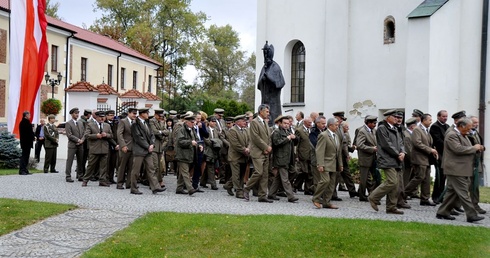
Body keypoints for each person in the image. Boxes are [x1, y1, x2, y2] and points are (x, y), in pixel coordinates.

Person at [436, 118, 485, 223]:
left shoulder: (463, 135)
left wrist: (478, 148)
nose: (469, 131)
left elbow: (467, 148)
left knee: (452, 192)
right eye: (468, 128)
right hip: (455, 169)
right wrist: (474, 148)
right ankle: (472, 215)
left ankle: (443, 212)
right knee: (463, 192)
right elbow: (458, 149)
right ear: (461, 126)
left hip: (462, 168)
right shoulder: (451, 135)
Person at [368, 110, 405, 215]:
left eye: (398, 117)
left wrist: (403, 152)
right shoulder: (382, 128)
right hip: (387, 158)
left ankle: (391, 207)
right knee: (392, 181)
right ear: (388, 117)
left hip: (396, 159)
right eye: (394, 117)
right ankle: (373, 197)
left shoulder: (396, 128)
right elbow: (386, 144)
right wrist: (398, 154)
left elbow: (401, 142)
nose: (397, 119)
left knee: (396, 185)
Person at [129, 108, 166, 195]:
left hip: (148, 150)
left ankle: (155, 187)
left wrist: (152, 144)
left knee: (151, 169)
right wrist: (147, 146)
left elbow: (152, 134)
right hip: (139, 150)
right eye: (147, 113)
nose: (148, 114)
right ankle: (133, 188)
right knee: (136, 170)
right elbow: (138, 138)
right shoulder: (135, 124)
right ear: (142, 114)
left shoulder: (147, 122)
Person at [404, 113, 438, 206]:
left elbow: (428, 142)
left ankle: (425, 198)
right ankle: (403, 194)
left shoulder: (426, 130)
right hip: (419, 158)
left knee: (426, 179)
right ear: (424, 120)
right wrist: (430, 150)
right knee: (419, 177)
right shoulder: (417, 129)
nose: (431, 121)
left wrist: (433, 150)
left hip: (426, 159)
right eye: (429, 120)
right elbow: (417, 143)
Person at [243, 104, 272, 202]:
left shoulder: (265, 122)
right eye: (266, 111)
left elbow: (268, 136)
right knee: (258, 172)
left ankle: (262, 195)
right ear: (261, 111)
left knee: (265, 174)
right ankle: (246, 188)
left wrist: (269, 147)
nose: (268, 113)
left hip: (265, 152)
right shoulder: (255, 122)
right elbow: (255, 137)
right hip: (257, 152)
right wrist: (265, 147)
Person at [312, 117, 343, 209]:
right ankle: (316, 198)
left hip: (334, 164)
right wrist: (320, 164)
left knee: (331, 184)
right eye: (336, 125)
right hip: (325, 163)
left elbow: (338, 152)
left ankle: (327, 202)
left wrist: (340, 164)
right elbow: (319, 151)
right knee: (325, 181)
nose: (337, 127)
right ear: (330, 125)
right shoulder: (324, 135)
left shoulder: (336, 136)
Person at [269, 116, 299, 203]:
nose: (287, 125)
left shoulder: (288, 131)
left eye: (288, 123)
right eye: (285, 123)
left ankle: (271, 193)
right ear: (280, 123)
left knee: (279, 178)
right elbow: (276, 143)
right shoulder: (277, 132)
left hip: (288, 158)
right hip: (280, 159)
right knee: (285, 179)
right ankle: (290, 196)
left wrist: (295, 138)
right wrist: (287, 138)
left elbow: (295, 143)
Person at [82, 111, 114, 187]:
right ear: (96, 117)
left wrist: (106, 135)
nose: (102, 118)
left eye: (103, 117)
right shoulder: (90, 125)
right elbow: (87, 135)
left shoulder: (107, 125)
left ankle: (102, 180)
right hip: (94, 148)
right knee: (91, 165)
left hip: (104, 149)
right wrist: (96, 136)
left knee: (103, 166)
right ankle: (85, 180)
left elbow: (111, 135)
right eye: (100, 117)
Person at [257, 41, 285, 125]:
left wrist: (269, 78)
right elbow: (259, 85)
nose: (265, 57)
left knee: (274, 118)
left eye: (267, 55)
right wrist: (263, 79)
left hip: (274, 101)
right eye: (264, 55)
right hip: (265, 99)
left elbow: (280, 83)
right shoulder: (264, 68)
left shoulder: (275, 67)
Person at [224, 115, 249, 198]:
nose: (245, 122)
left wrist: (248, 148)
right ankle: (239, 191)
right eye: (243, 121)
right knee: (236, 174)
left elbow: (249, 141)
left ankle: (228, 185)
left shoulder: (245, 130)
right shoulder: (232, 131)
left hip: (244, 156)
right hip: (235, 156)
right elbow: (235, 144)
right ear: (238, 122)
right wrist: (244, 150)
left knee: (241, 174)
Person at [174, 114, 199, 196]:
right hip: (182, 154)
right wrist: (190, 142)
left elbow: (196, 139)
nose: (193, 123)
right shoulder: (181, 130)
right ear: (187, 122)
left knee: (183, 172)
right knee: (185, 173)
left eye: (194, 122)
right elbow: (180, 141)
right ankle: (190, 188)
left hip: (189, 154)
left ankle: (179, 188)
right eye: (192, 122)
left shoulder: (192, 130)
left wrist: (199, 145)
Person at [429, 110, 449, 203]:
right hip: (439, 153)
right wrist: (449, 146)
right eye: (443, 116)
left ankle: (441, 195)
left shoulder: (447, 126)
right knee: (439, 175)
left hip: (446, 154)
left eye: (446, 116)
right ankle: (436, 196)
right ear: (438, 117)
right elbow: (437, 141)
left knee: (444, 176)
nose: (445, 118)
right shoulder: (435, 126)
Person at [355, 115, 378, 201]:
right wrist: (372, 149)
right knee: (364, 178)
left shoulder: (374, 131)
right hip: (365, 158)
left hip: (373, 158)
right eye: (373, 123)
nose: (375, 125)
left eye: (375, 123)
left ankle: (372, 193)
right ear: (368, 123)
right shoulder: (362, 131)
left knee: (375, 177)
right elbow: (359, 145)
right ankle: (362, 195)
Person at [468, 115, 487, 214]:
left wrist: (482, 147)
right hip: (468, 163)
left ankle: (475, 204)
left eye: (477, 123)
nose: (476, 124)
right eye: (474, 122)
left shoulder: (476, 133)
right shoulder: (466, 134)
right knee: (466, 185)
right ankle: (454, 205)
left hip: (476, 162)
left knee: (475, 185)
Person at [116, 107, 137, 189]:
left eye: (136, 114)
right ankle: (119, 183)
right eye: (133, 113)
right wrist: (123, 145)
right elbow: (119, 134)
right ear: (129, 113)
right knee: (122, 166)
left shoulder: (135, 122)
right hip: (125, 147)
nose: (135, 115)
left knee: (131, 166)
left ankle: (129, 183)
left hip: (133, 147)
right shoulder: (123, 121)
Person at [293, 117, 314, 195]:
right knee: (303, 172)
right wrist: (297, 155)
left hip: (310, 154)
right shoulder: (299, 130)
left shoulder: (311, 130)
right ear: (305, 122)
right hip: (302, 155)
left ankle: (307, 189)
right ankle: (295, 186)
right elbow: (296, 144)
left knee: (310, 173)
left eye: (311, 122)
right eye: (309, 122)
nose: (310, 124)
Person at [149, 109, 169, 188]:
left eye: (162, 116)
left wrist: (161, 132)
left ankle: (158, 181)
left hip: (160, 146)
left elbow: (167, 132)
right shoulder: (151, 121)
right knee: (155, 166)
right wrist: (162, 133)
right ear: (155, 115)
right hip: (154, 145)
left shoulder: (161, 122)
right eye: (159, 116)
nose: (161, 118)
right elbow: (154, 132)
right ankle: (154, 183)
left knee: (160, 167)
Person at [65, 108, 85, 182]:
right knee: (70, 160)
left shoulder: (80, 123)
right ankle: (68, 176)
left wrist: (82, 140)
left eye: (78, 113)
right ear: (72, 114)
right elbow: (69, 135)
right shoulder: (68, 123)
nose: (77, 115)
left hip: (80, 145)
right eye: (75, 113)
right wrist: (78, 140)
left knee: (80, 161)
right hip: (72, 145)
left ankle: (80, 175)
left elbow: (84, 133)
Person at [105, 110, 119, 184]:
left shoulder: (115, 123)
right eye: (110, 115)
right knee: (107, 163)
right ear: (106, 116)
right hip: (108, 144)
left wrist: (117, 144)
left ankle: (111, 177)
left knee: (113, 163)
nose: (112, 116)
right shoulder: (105, 123)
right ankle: (106, 178)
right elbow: (108, 136)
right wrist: (115, 144)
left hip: (115, 145)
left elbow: (118, 134)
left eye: (113, 115)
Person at [18, 111, 34, 175]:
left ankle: (25, 169)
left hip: (27, 142)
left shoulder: (26, 122)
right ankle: (22, 170)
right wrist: (32, 137)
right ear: (26, 115)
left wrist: (33, 137)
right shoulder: (24, 122)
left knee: (26, 156)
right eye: (29, 114)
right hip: (25, 142)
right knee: (24, 156)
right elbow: (27, 133)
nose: (30, 115)